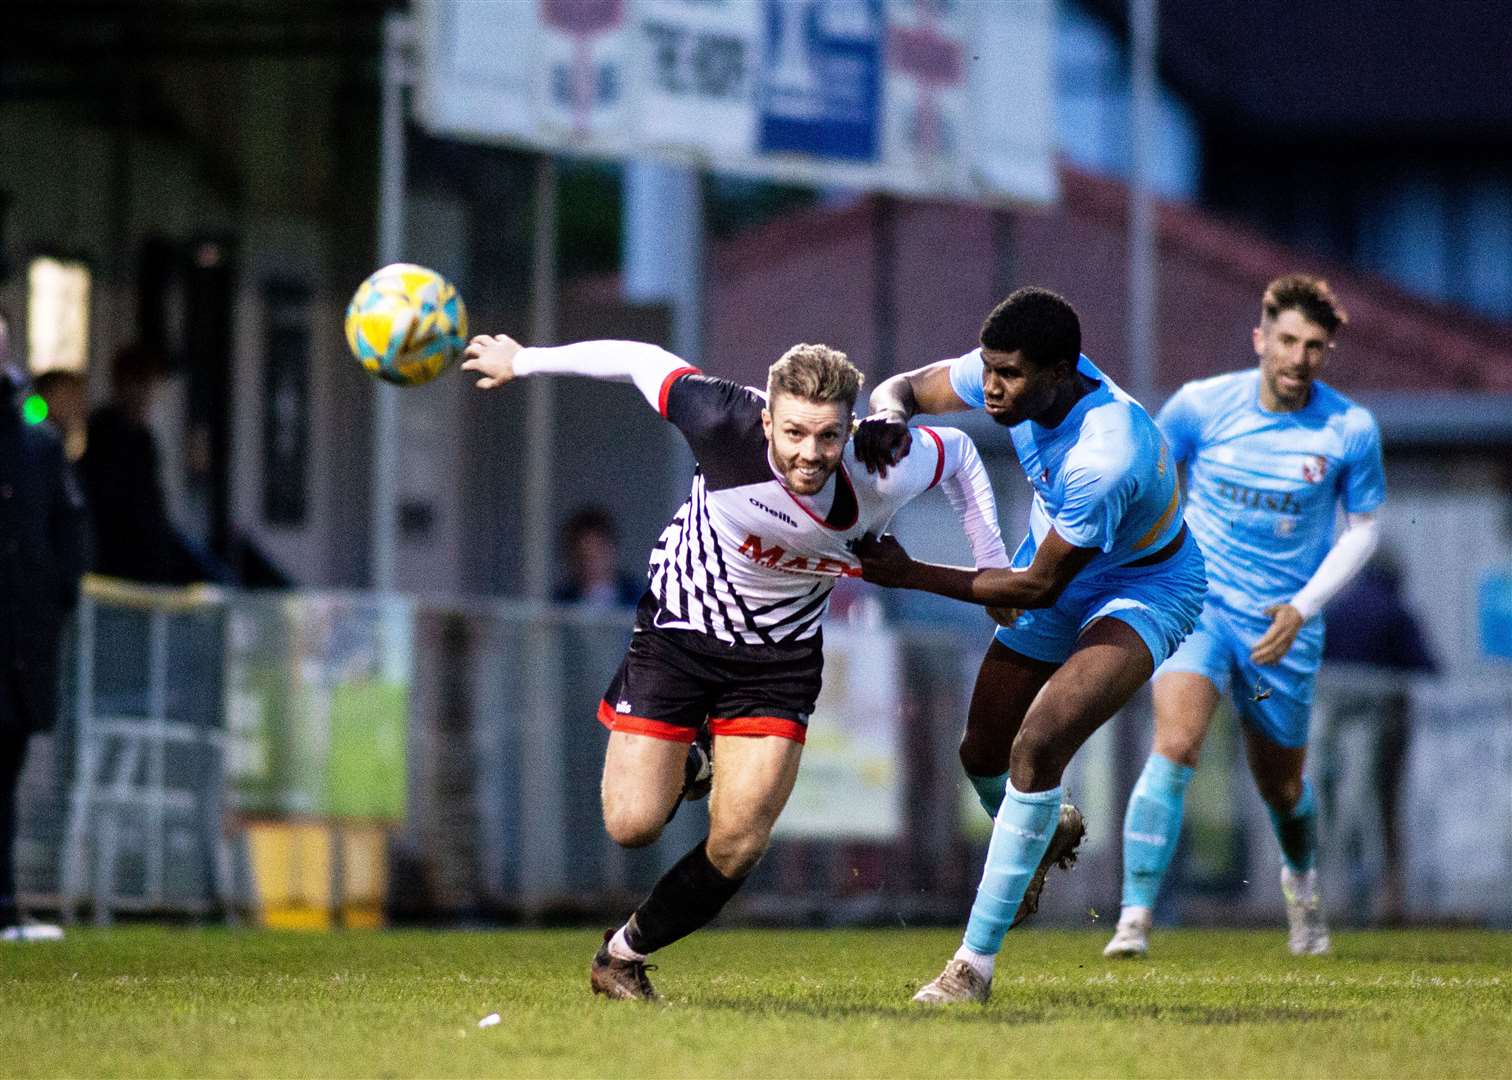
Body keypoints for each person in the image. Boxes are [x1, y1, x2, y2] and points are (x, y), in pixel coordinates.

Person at [460, 332, 1010, 1001]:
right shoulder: (720, 418)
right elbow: (639, 361)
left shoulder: (884, 462)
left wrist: (994, 569)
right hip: (679, 635)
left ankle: (622, 956)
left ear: (850, 428)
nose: (812, 454)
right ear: (767, 419)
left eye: (829, 437)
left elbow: (962, 457)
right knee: (631, 824)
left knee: (740, 842)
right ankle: (695, 755)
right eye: (797, 433)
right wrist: (524, 361)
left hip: (778, 662)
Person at [852, 286, 1207, 1004]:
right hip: (1055, 569)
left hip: (1144, 584)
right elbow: (904, 387)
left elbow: (1036, 588)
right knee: (980, 751)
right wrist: (888, 418)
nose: (990, 387)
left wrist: (910, 572)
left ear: (1062, 371)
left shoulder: (1108, 452)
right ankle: (1042, 834)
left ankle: (970, 968)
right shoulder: (1008, 377)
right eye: (987, 368)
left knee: (1038, 744)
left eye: (1008, 374)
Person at [1102, 274, 1384, 960]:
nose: (1298, 358)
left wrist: (1303, 605)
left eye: (1315, 346)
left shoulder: (1348, 429)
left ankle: (1304, 892)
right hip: (1196, 610)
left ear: (1327, 354)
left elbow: (1363, 529)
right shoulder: (1202, 405)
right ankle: (1134, 918)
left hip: (1279, 629)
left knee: (1281, 785)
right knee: (1177, 743)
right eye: (1287, 340)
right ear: (1261, 340)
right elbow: (1149, 474)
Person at [0, 312, 88, 942]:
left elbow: (68, 527)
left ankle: (4, 904)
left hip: (19, 636)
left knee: (7, 763)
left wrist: (57, 594)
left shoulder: (33, 436)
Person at [1321, 549, 1435, 924]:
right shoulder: (1394, 611)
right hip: (1378, 719)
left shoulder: (1338, 607)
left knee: (1333, 804)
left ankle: (1333, 894)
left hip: (1327, 715)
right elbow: (1426, 666)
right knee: (1371, 805)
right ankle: (1374, 896)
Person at [78, 343, 232, 586]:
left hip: (147, 550)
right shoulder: (110, 436)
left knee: (218, 576)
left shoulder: (140, 438)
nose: (150, 397)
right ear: (129, 385)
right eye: (148, 387)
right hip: (126, 556)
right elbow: (122, 506)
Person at [555, 506, 643, 607]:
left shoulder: (638, 598)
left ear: (612, 550)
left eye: (597, 552)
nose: (590, 563)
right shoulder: (561, 603)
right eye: (582, 555)